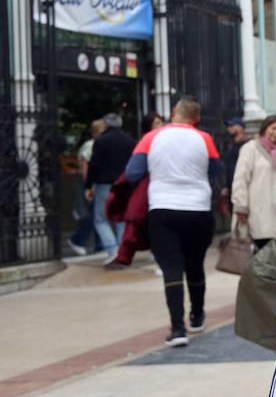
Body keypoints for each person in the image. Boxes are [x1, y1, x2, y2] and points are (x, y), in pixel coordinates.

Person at [123, 96, 221, 347]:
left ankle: (178, 329)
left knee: (171, 267)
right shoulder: (205, 139)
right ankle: (197, 315)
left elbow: (133, 172)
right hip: (198, 209)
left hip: (162, 208)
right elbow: (217, 172)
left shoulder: (151, 138)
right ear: (196, 118)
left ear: (174, 111)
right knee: (195, 264)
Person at [231, 115, 276, 249]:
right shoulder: (251, 148)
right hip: (257, 213)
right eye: (273, 128)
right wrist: (241, 207)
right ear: (265, 129)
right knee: (261, 256)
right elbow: (240, 179)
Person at [85, 112, 136, 263]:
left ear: (106, 125)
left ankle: (112, 249)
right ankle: (120, 249)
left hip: (104, 184)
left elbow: (94, 165)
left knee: (100, 219)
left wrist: (88, 186)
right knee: (120, 218)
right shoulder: (130, 141)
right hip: (123, 184)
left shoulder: (101, 141)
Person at [67, 119, 105, 256]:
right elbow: (84, 169)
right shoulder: (90, 146)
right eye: (102, 132)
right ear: (95, 133)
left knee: (98, 216)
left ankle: (99, 246)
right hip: (91, 186)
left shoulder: (98, 145)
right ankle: (77, 240)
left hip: (95, 185)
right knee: (94, 216)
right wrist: (90, 186)